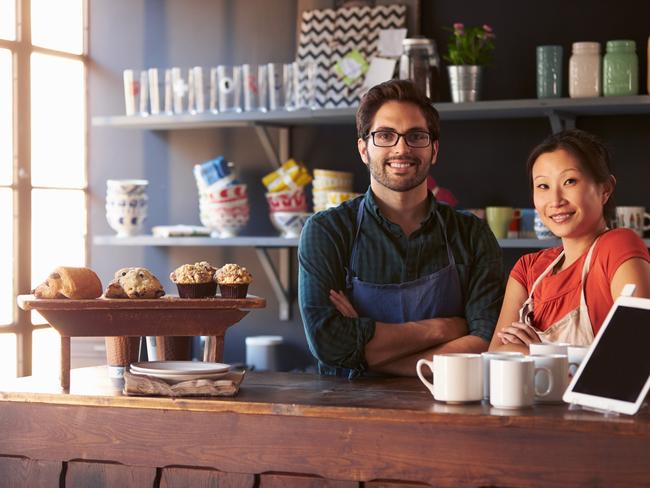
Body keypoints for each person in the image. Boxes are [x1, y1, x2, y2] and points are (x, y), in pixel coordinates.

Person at [298, 79, 505, 378]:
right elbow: (329, 343)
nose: (401, 148)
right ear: (363, 149)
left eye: (416, 136)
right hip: (348, 416)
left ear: (433, 150)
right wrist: (444, 328)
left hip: (448, 413)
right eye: (385, 135)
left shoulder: (472, 235)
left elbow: (485, 344)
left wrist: (363, 355)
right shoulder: (328, 231)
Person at [489, 129, 650, 353]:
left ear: (605, 189)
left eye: (570, 181)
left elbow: (635, 353)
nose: (555, 200)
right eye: (543, 186)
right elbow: (495, 355)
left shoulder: (617, 247)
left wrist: (541, 352)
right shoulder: (528, 269)